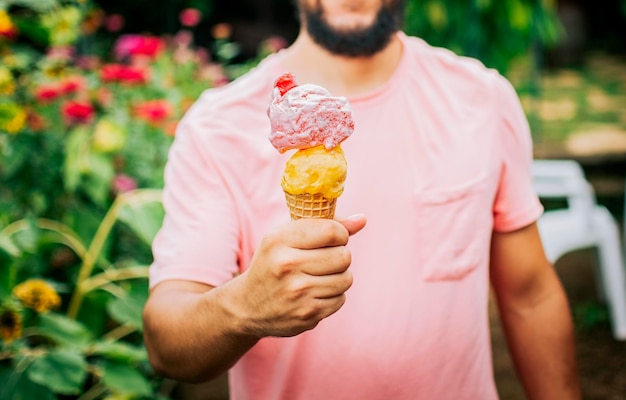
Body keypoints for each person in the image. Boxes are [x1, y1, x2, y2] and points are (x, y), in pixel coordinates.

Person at [142, 0, 582, 398]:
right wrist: (242, 308)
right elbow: (167, 345)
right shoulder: (216, 128)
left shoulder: (482, 98)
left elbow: (530, 296)